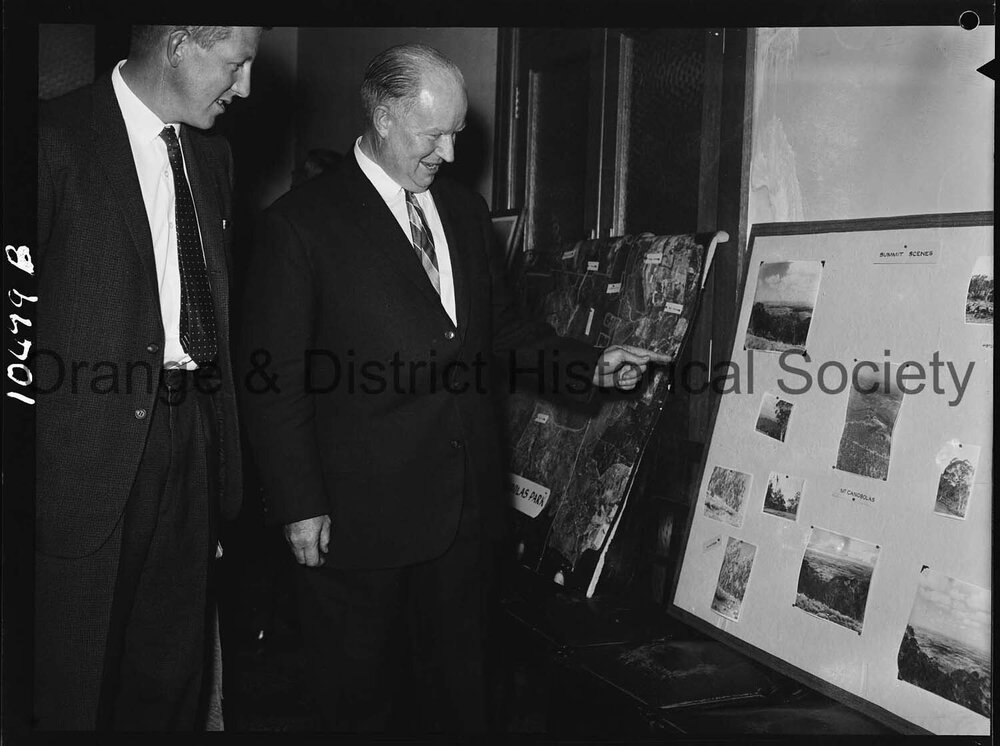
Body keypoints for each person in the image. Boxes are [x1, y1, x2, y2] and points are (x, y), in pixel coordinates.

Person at [238, 43, 669, 732]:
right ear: (382, 115)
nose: (448, 150)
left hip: (465, 519)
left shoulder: (464, 214)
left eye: (457, 132)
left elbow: (499, 332)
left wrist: (586, 362)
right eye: (431, 133)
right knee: (357, 704)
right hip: (357, 520)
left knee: (460, 699)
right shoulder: (300, 224)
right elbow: (273, 379)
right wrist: (297, 501)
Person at [34, 24, 262, 730]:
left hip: (193, 437)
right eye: (236, 63)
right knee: (74, 679)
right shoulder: (51, 138)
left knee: (171, 672)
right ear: (180, 44)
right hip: (83, 455)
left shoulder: (214, 156)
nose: (245, 86)